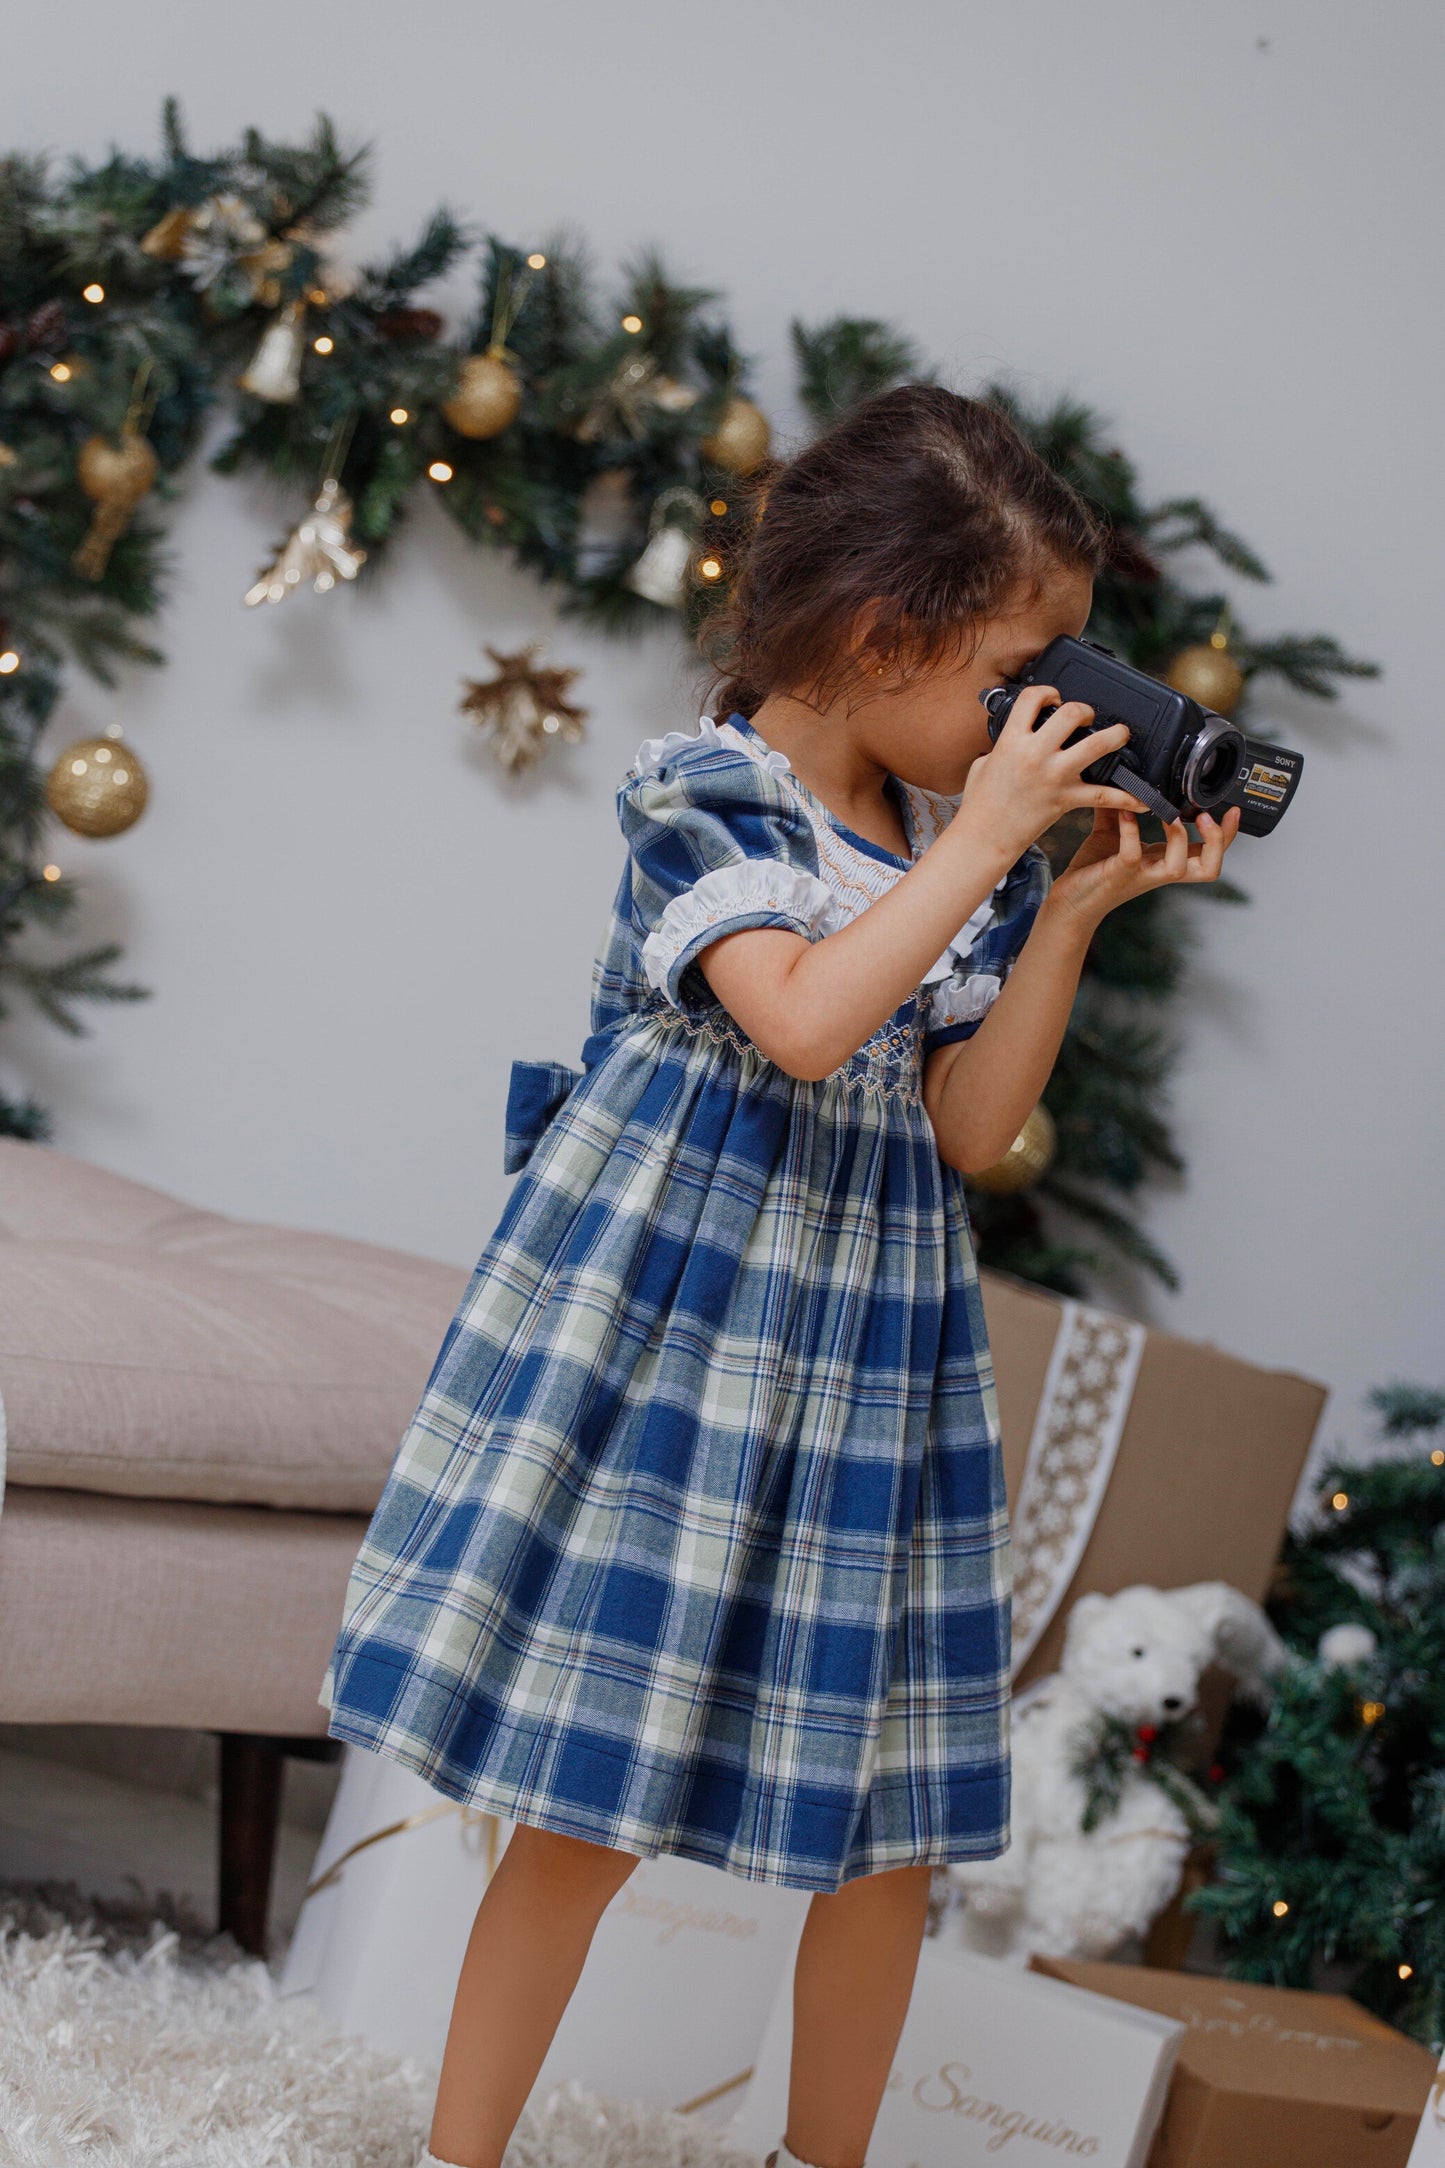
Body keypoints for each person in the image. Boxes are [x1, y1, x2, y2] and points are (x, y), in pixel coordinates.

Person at [322, 383, 1240, 2168]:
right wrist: (981, 841)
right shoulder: (708, 794)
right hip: (678, 1335)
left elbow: (967, 1124)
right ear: (881, 633)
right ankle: (458, 2157)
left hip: (872, 1344)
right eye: (1011, 674)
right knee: (584, 1798)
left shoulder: (941, 839)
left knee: (890, 1828)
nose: (1037, 716)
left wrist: (1053, 910)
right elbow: (809, 1026)